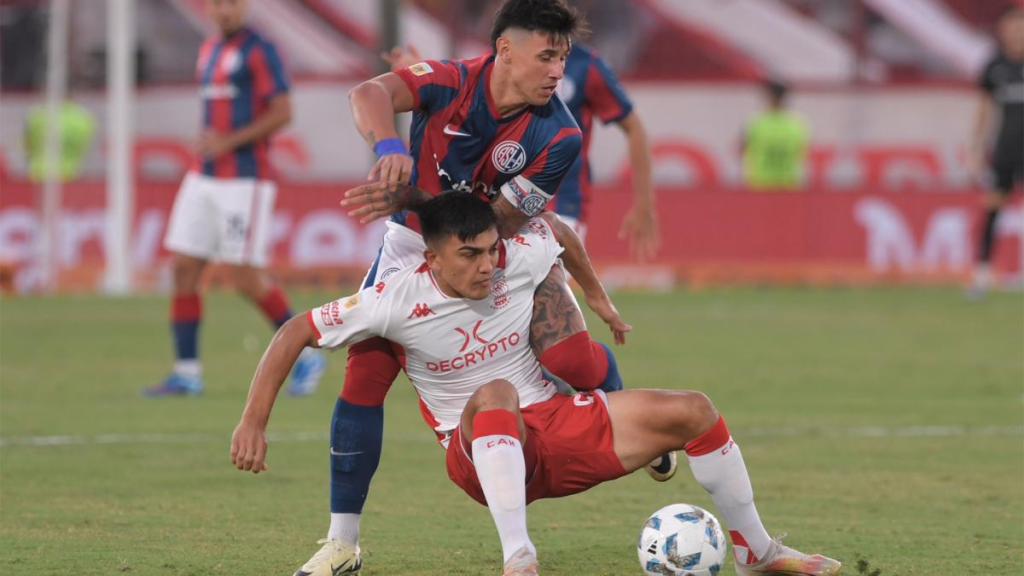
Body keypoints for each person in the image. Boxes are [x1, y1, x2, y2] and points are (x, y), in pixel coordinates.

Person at [230, 193, 842, 576]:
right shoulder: (392, 299)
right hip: (479, 450)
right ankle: (519, 559)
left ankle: (756, 553)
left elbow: (555, 231)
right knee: (496, 393)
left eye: (490, 251)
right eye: (469, 256)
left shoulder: (512, 258)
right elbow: (293, 331)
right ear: (432, 259)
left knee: (695, 410)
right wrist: (253, 420)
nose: (486, 266)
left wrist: (597, 295)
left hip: (555, 425)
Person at [308, 1, 671, 571]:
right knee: (365, 378)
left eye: (563, 58)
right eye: (546, 57)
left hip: (499, 248)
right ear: (505, 50)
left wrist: (411, 196)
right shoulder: (449, 81)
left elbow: (492, 226)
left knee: (571, 359)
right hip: (410, 246)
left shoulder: (561, 135)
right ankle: (342, 544)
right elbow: (368, 94)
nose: (558, 72)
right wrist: (390, 147)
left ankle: (619, 407)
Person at [142, 0, 325, 397]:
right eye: (219, 3)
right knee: (184, 268)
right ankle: (187, 373)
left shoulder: (261, 49)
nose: (225, 10)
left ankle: (307, 354)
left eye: (233, 3)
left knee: (242, 276)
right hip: (203, 175)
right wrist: (210, 140)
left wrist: (228, 141)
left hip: (245, 179)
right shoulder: (209, 48)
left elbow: (283, 112)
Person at [382, 40, 659, 259]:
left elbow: (634, 126)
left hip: (562, 201)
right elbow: (462, 90)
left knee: (540, 290)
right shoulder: (506, 58)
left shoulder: (587, 66)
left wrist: (644, 204)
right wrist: (421, 72)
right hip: (498, 202)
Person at [968, 6, 1024, 297]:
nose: (1016, 33)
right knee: (992, 207)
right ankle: (982, 274)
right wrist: (976, 147)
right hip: (1005, 149)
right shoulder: (995, 65)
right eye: (1011, 27)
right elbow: (984, 108)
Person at [740, 80, 810, 190]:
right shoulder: (797, 125)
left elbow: (742, 150)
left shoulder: (755, 123)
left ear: (769, 97)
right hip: (788, 185)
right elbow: (803, 153)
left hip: (761, 185)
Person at [23, 100, 96, 183]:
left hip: (38, 174)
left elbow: (27, 145)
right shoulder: (83, 118)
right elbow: (85, 146)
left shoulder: (36, 115)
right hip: (70, 174)